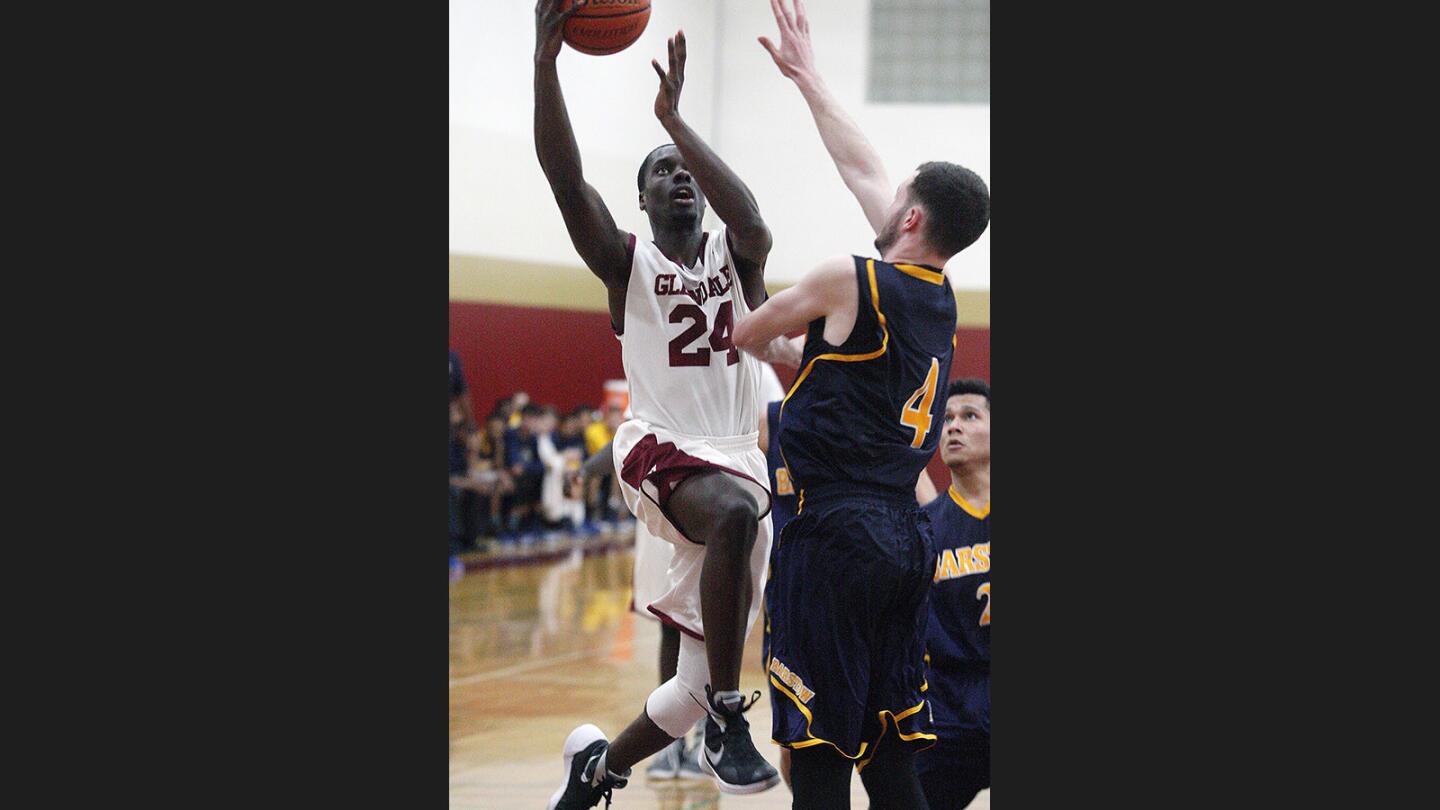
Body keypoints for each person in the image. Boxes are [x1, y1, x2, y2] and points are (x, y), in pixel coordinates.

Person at [533, 3, 795, 806]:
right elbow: (565, 179)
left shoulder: (735, 254)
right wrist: (545, 69)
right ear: (641, 202)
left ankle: (599, 769)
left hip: (734, 456)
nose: (678, 178)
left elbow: (751, 217)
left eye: (683, 170)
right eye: (660, 172)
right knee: (735, 520)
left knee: (683, 679)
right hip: (660, 446)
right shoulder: (626, 260)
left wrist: (675, 125)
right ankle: (728, 714)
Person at [733, 1, 991, 806]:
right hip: (903, 537)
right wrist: (812, 81)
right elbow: (864, 167)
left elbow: (747, 333)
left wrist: (767, 314)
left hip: (834, 533)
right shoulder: (937, 293)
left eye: (897, 196)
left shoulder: (848, 278)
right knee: (890, 753)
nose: (881, 194)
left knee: (815, 750)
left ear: (909, 217)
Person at [915, 379, 991, 809]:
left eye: (969, 416)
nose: (953, 428)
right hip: (947, 711)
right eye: (946, 419)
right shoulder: (924, 529)